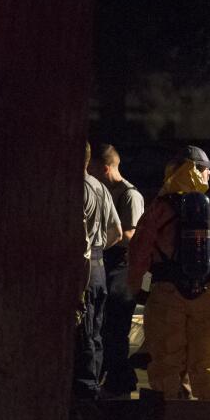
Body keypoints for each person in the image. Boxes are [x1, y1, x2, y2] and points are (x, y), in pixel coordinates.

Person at [127, 147, 210, 420]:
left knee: (165, 359)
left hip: (165, 293)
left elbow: (139, 254)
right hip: (207, 293)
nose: (209, 172)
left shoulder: (158, 209)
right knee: (206, 359)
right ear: (193, 170)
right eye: (204, 168)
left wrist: (139, 289)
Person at [88, 143, 145, 399]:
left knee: (117, 328)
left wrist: (103, 237)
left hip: (122, 268)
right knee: (105, 326)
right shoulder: (105, 191)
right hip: (108, 264)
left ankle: (120, 383)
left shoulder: (129, 195)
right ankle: (116, 378)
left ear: (106, 167)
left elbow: (132, 235)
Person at [80, 141, 123, 403]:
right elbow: (117, 232)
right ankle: (93, 388)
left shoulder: (78, 188)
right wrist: (98, 250)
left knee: (82, 332)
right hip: (99, 264)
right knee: (95, 333)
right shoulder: (101, 188)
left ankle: (83, 399)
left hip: (82, 264)